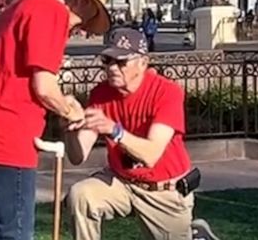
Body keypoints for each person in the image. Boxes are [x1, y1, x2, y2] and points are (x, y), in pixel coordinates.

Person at [0, 0, 111, 240]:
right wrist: (71, 110)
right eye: (84, 21)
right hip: (7, 132)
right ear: (80, 0)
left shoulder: (29, 5)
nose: (82, 31)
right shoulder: (50, 12)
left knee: (8, 229)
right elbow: (43, 87)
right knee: (16, 234)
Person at [63, 27, 194, 240]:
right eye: (107, 60)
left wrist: (114, 130)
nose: (112, 68)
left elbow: (151, 154)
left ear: (143, 63)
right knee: (81, 195)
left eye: (121, 61)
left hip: (163, 190)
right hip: (121, 182)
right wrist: (69, 126)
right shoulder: (101, 93)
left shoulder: (167, 92)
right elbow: (78, 157)